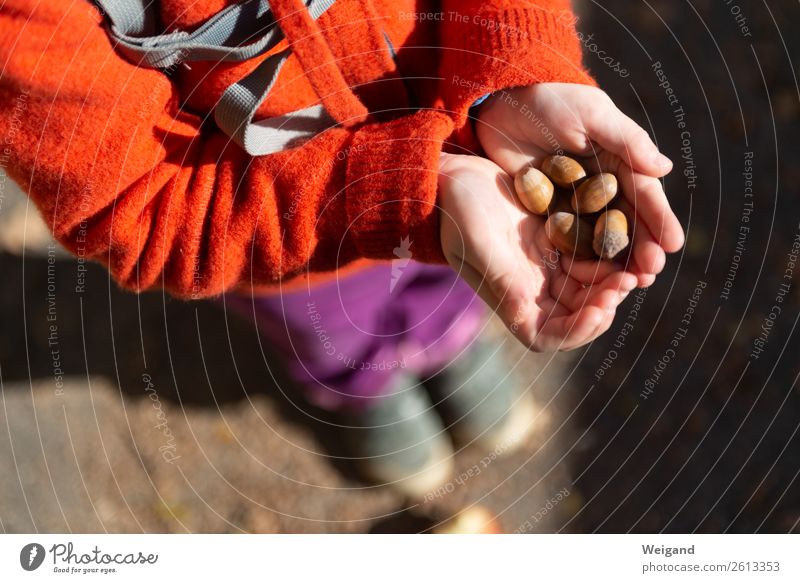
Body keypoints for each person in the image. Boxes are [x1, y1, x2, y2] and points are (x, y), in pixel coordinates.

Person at [0, 0, 683, 498]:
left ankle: (444, 338)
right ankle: (364, 380)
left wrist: (518, 66)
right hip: (290, 246)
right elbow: (143, 205)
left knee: (451, 277)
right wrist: (402, 188)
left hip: (466, 158)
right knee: (335, 331)